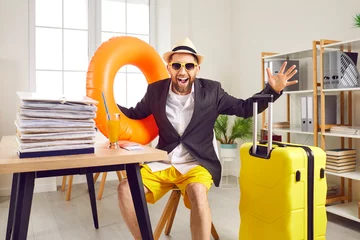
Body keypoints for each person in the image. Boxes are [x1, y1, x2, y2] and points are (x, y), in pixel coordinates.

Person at [117, 37, 298, 240]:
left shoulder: (212, 91)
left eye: (189, 66)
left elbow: (245, 108)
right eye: (177, 65)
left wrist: (272, 91)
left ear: (197, 69)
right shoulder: (156, 91)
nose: (182, 71)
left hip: (197, 163)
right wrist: (103, 103)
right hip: (164, 162)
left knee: (198, 193)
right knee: (125, 189)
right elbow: (133, 114)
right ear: (169, 68)